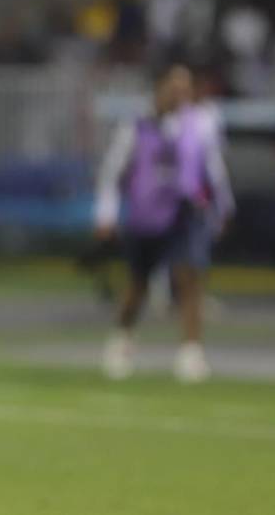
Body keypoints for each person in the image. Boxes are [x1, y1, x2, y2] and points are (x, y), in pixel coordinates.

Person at [95, 64, 233, 383]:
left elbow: (212, 168)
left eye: (185, 89)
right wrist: (106, 214)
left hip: (185, 213)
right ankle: (123, 337)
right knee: (138, 284)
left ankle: (191, 352)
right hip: (146, 216)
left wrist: (223, 207)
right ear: (159, 88)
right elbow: (114, 171)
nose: (180, 96)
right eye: (174, 88)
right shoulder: (137, 125)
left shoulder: (198, 124)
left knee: (190, 279)